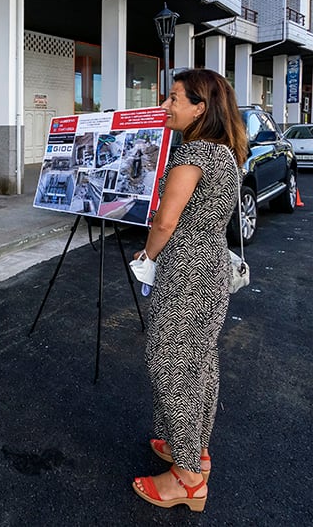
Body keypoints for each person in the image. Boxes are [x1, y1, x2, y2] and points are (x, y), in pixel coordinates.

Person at [131, 69, 247, 512]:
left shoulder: (194, 151)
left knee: (169, 362)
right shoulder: (225, 153)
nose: (166, 105)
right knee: (199, 360)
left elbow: (165, 221)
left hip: (184, 272)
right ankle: (192, 448)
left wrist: (147, 257)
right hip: (212, 270)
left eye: (174, 98)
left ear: (201, 108)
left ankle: (187, 478)